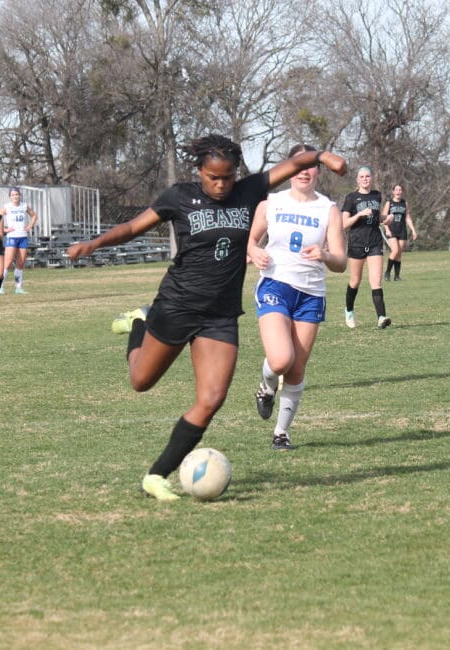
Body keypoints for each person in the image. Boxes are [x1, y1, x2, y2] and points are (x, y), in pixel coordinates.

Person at [66, 134, 347, 500]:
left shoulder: (249, 192)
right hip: (176, 306)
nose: (220, 184)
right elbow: (135, 227)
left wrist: (324, 157)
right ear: (199, 171)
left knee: (212, 398)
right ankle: (140, 321)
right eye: (213, 177)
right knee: (140, 382)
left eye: (228, 177)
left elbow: (295, 164)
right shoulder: (179, 197)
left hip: (220, 317)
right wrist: (94, 244)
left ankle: (156, 475)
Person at [248, 144, 347, 451]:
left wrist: (325, 254)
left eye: (310, 165)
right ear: (289, 168)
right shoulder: (271, 203)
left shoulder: (328, 209)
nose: (305, 171)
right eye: (298, 164)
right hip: (276, 285)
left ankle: (281, 433)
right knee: (280, 359)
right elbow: (249, 241)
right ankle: (265, 386)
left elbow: (341, 262)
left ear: (318, 170)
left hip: (311, 295)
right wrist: (254, 251)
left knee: (296, 370)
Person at [341, 165, 394, 329]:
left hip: (374, 242)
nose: (365, 179)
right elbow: (344, 224)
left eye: (367, 176)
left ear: (371, 178)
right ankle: (349, 310)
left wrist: (387, 218)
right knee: (355, 281)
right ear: (357, 180)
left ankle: (381, 317)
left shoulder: (377, 195)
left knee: (376, 281)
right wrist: (359, 214)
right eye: (362, 177)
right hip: (357, 243)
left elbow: (377, 218)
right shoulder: (351, 198)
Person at [0, 186, 37, 295]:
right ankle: (0, 286)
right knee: (8, 262)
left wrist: (29, 226)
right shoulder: (7, 207)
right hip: (12, 237)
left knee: (20, 263)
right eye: (13, 195)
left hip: (23, 237)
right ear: (10, 197)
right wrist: (4, 229)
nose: (15, 196)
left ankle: (18, 288)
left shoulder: (24, 206)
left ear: (20, 195)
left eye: (17, 194)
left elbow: (34, 216)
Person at [383, 184, 417, 281]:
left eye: (400, 190)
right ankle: (387, 272)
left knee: (399, 253)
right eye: (396, 190)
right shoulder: (389, 203)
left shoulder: (404, 203)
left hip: (402, 230)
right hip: (392, 230)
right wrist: (387, 229)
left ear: (402, 192)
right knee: (395, 251)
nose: (398, 192)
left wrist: (413, 230)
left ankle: (397, 276)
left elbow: (407, 217)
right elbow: (384, 218)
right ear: (393, 192)